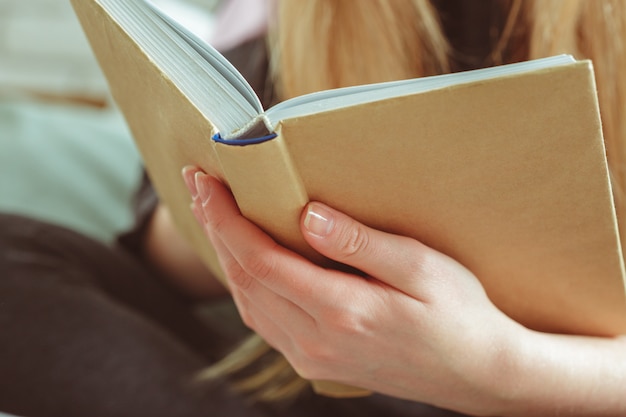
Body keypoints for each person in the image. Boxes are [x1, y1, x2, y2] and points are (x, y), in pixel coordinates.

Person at [2, 1, 626, 416]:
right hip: (311, 386)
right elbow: (163, 262)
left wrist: (501, 368)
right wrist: (227, 219)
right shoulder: (292, 21)